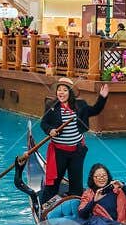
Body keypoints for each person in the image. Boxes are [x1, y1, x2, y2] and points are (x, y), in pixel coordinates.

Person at [38, 78, 110, 206]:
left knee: (76, 183)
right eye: (59, 90)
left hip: (77, 151)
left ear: (70, 92)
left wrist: (102, 98)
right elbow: (44, 123)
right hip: (59, 151)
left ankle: (76, 206)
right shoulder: (51, 106)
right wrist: (50, 130)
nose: (61, 92)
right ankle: (45, 205)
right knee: (54, 180)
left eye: (64, 90)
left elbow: (95, 110)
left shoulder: (80, 105)